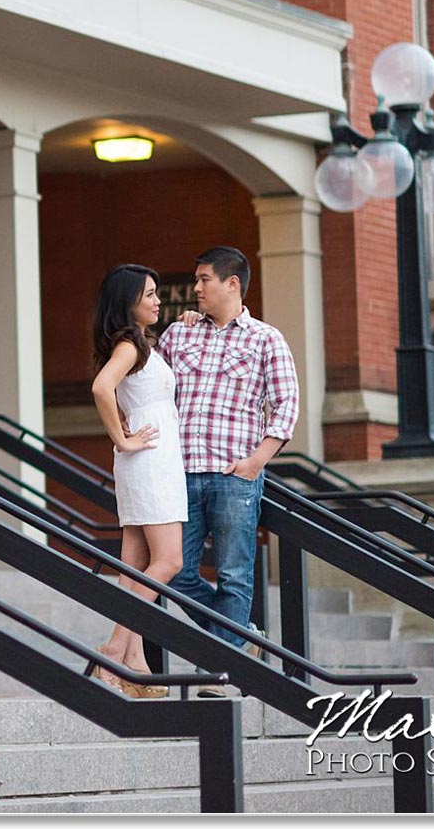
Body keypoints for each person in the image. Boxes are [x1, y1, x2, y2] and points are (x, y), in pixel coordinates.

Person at [159, 245, 299, 690]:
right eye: (197, 280)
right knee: (176, 572)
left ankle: (221, 670)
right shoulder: (177, 336)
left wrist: (256, 462)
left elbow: (286, 405)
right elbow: (154, 390)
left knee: (235, 574)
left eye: (204, 280)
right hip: (179, 473)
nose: (196, 287)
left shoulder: (266, 339)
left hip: (234, 474)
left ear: (232, 283)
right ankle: (240, 638)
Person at [85, 264, 184, 698]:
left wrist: (188, 323)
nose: (157, 301)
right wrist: (122, 440)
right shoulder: (129, 345)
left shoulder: (142, 344)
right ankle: (114, 649)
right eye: (149, 294)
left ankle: (134, 664)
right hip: (147, 458)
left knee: (134, 566)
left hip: (151, 458)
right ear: (128, 302)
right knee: (170, 561)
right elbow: (101, 388)